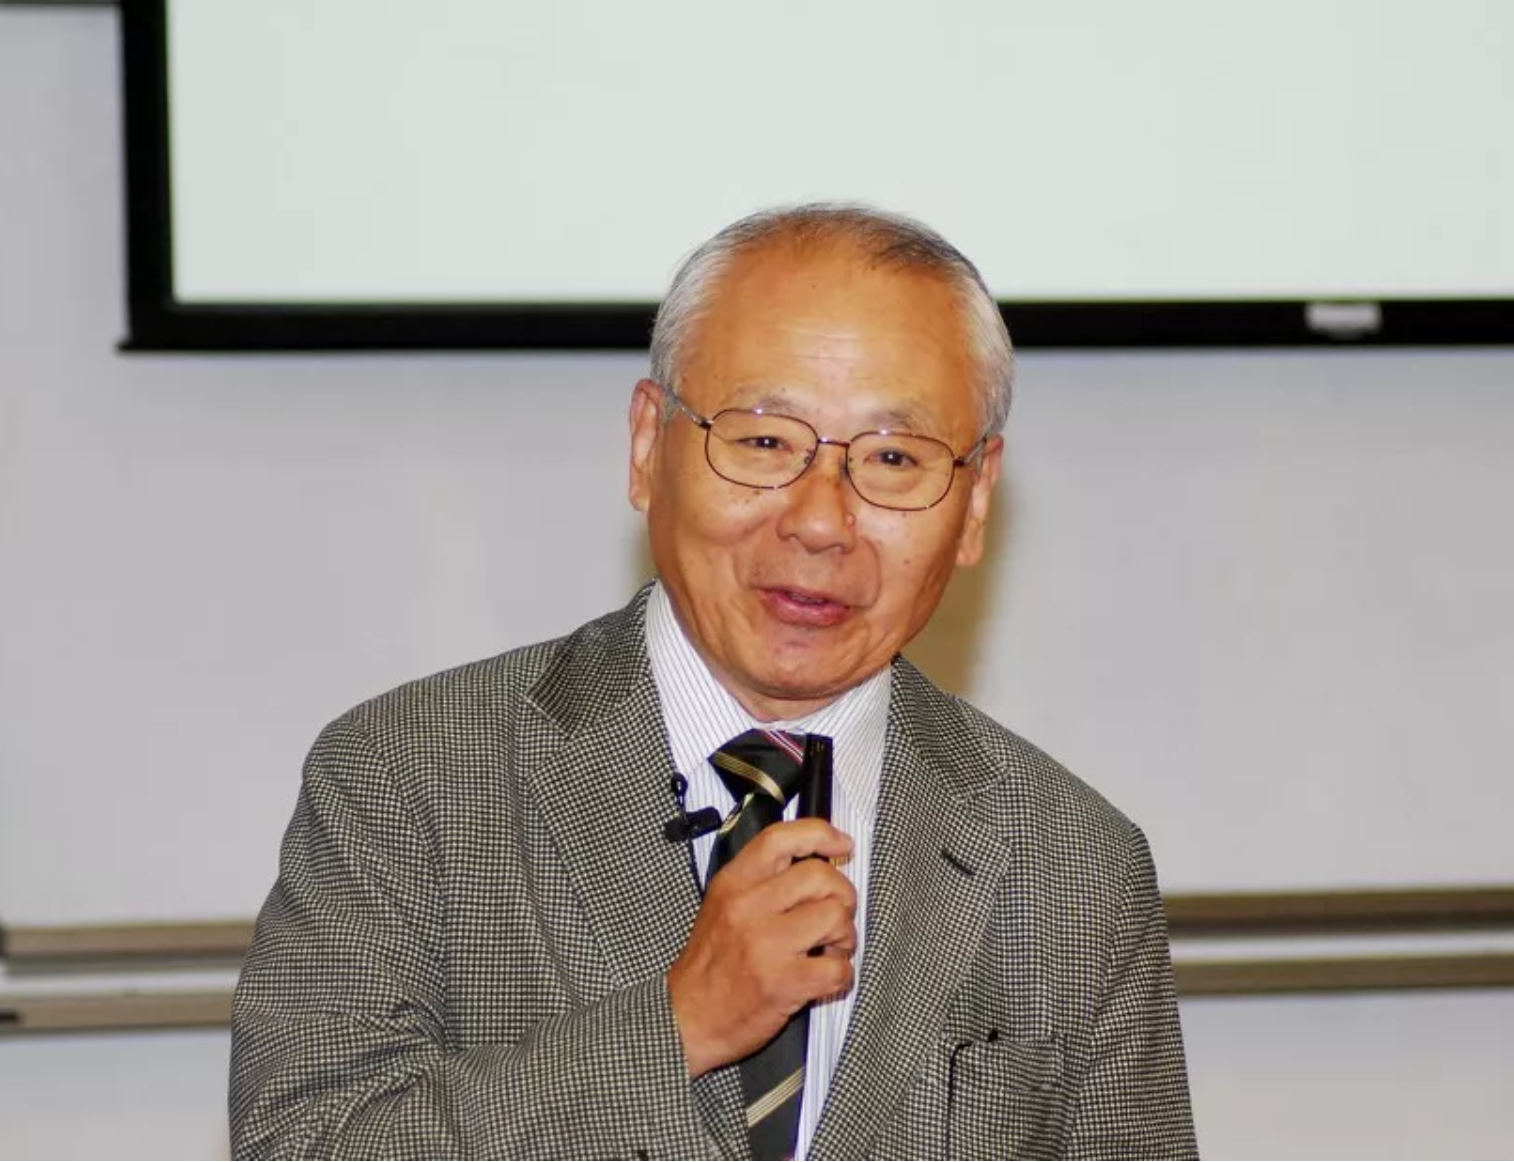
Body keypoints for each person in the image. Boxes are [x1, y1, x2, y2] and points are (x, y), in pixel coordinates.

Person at [227, 202, 1199, 1160]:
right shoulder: (409, 779)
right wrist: (676, 1026)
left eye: (894, 458)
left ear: (975, 498)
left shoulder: (1075, 865)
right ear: (648, 445)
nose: (820, 521)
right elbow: (303, 1144)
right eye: (765, 442)